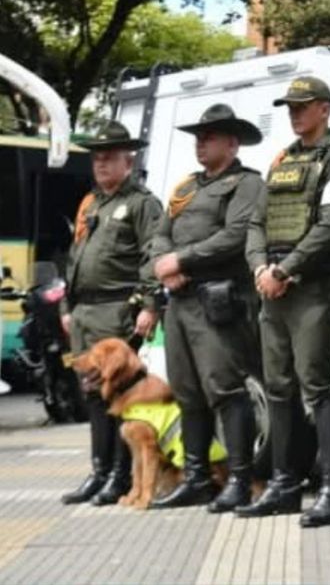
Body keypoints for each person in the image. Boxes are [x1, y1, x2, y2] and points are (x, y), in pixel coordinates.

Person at [238, 77, 330, 527]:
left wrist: (284, 270)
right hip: (273, 287)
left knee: (318, 386)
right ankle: (284, 485)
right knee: (279, 386)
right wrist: (258, 269)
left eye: (303, 106)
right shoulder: (283, 159)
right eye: (290, 106)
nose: (294, 112)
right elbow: (256, 221)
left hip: (310, 287)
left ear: (325, 109)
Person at [148, 104, 266, 512]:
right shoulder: (185, 187)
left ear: (232, 143)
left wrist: (182, 261)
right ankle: (196, 478)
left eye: (210, 136)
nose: (201, 143)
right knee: (187, 391)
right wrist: (165, 266)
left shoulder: (246, 183)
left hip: (218, 300)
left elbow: (236, 235)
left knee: (226, 389)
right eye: (198, 136)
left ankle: (239, 478)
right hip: (179, 301)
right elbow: (159, 237)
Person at [60, 122, 162, 506]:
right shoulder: (91, 203)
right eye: (97, 158)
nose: (101, 164)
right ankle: (99, 471)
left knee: (118, 395)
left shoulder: (141, 203)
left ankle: (121, 475)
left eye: (109, 157)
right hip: (84, 313)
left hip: (117, 309)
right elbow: (75, 258)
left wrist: (149, 304)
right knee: (90, 394)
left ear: (128, 160)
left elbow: (153, 254)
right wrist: (68, 307)